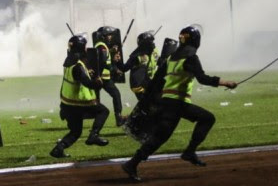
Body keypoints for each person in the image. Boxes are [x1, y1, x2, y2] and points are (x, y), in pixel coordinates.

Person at [121, 25, 238, 182]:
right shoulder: (191, 57)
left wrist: (147, 101)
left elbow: (155, 81)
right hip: (177, 104)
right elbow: (202, 78)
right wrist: (226, 83)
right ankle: (189, 152)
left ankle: (132, 163)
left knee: (160, 137)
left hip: (166, 102)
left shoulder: (171, 58)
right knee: (207, 118)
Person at [49, 34, 110, 158]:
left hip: (67, 104)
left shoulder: (68, 62)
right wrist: (97, 83)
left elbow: (79, 75)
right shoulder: (77, 66)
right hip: (80, 103)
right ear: (81, 48)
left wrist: (88, 72)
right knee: (103, 111)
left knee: (76, 132)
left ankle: (58, 149)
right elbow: (87, 83)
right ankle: (94, 135)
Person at [94, 26, 127, 126]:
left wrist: (112, 52)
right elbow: (104, 63)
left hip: (103, 78)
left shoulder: (102, 46)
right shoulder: (102, 46)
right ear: (103, 36)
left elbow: (104, 59)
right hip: (103, 78)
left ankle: (118, 118)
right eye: (108, 35)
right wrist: (115, 69)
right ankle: (118, 117)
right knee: (115, 95)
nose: (110, 37)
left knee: (95, 99)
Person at [115, 31, 159, 101]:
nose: (153, 44)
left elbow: (124, 68)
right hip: (143, 85)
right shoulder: (155, 52)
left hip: (145, 84)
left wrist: (117, 61)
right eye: (152, 42)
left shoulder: (136, 55)